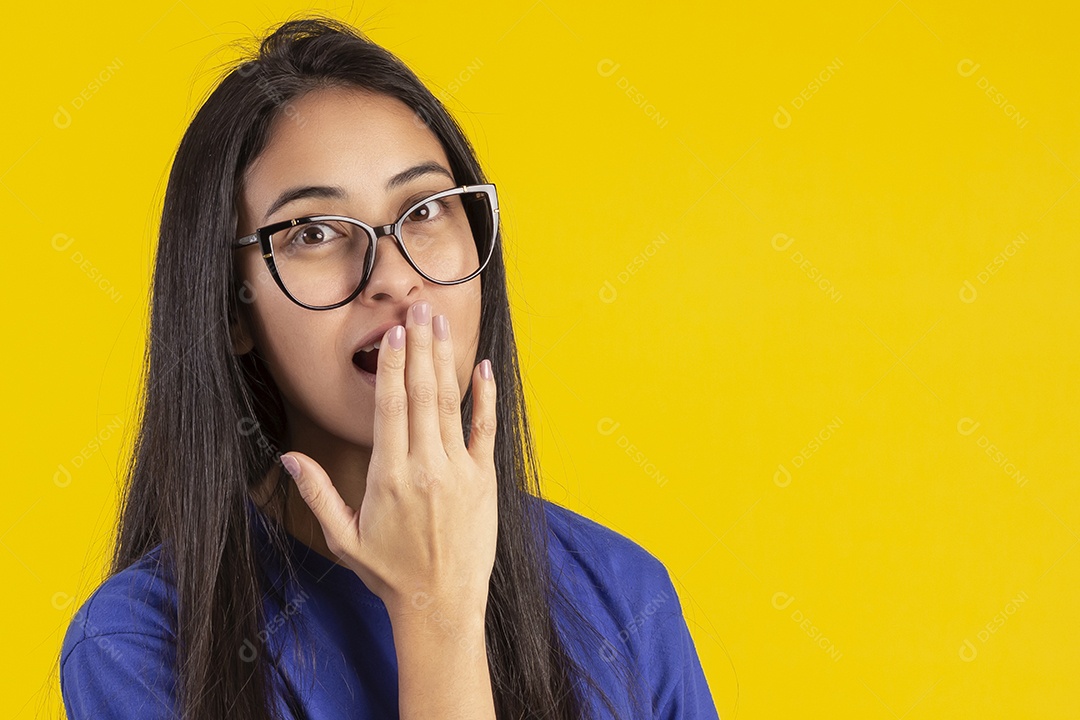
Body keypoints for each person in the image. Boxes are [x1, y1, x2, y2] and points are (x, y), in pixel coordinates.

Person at [58, 14, 720, 719]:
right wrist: (436, 612)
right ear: (231, 308)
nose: (396, 277)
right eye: (314, 231)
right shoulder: (137, 647)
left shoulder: (624, 595)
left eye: (426, 210)